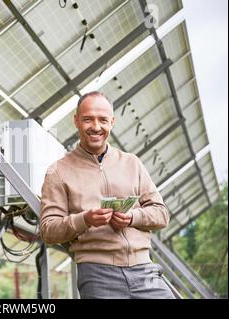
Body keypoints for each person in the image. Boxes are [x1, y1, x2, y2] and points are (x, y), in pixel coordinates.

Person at [40, 91, 175, 299]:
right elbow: (48, 229)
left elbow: (161, 214)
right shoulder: (58, 171)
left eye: (103, 120)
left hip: (144, 269)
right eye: (87, 119)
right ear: (76, 121)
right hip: (97, 274)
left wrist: (132, 217)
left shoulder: (132, 163)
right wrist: (84, 219)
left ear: (112, 122)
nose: (96, 127)